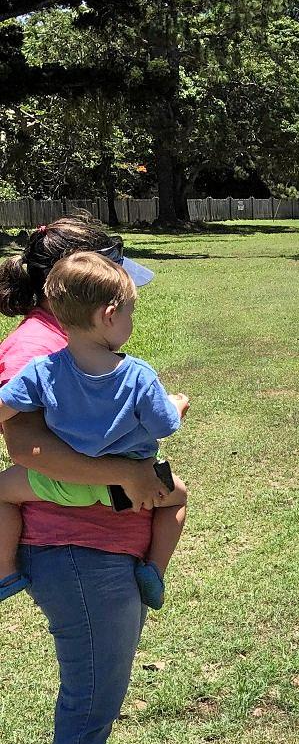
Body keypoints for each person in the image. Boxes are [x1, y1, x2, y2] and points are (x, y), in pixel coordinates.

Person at [0, 216, 178, 744]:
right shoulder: (37, 350)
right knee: (86, 700)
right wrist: (118, 479)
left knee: (95, 691)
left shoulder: (65, 339)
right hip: (77, 552)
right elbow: (25, 447)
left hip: (95, 547)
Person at [0, 250, 189, 610]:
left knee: (0, 491)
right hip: (128, 487)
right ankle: (154, 570)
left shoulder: (41, 371)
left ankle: (6, 571)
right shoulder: (138, 375)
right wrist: (177, 404)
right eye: (130, 313)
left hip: (61, 484)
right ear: (110, 316)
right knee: (177, 499)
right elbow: (164, 425)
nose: (132, 320)